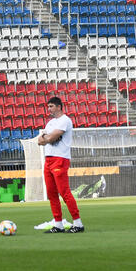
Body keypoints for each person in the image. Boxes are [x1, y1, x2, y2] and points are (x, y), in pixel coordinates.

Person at [33, 97, 84, 233]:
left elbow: (49, 138)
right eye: (48, 106)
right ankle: (58, 224)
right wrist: (49, 138)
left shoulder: (65, 120)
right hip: (49, 159)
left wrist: (48, 137)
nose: (49, 109)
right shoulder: (50, 123)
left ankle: (78, 223)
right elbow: (40, 141)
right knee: (51, 193)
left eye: (51, 106)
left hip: (60, 158)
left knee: (64, 192)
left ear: (59, 106)